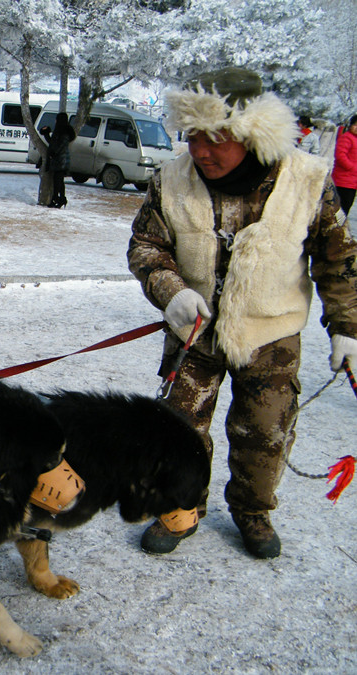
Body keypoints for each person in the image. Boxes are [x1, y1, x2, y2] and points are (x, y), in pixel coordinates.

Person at [127, 67, 357, 559]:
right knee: (179, 429)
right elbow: (146, 247)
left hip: (271, 337)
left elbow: (338, 262)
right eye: (193, 137)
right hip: (193, 334)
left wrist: (347, 329)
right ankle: (181, 506)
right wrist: (172, 293)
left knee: (264, 435)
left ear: (252, 133)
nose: (202, 151)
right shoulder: (171, 180)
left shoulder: (308, 181)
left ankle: (253, 511)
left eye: (217, 138)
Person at [46, 112, 76, 208]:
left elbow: (58, 146)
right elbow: (53, 143)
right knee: (59, 181)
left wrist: (53, 153)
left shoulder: (63, 132)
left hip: (60, 160)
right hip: (61, 159)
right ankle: (61, 199)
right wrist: (46, 134)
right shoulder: (62, 131)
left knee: (57, 181)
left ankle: (55, 199)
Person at [331, 114, 357, 216]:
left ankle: (337, 229)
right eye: (355, 125)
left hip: (352, 182)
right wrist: (352, 168)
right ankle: (331, 230)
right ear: (350, 125)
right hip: (342, 181)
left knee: (344, 210)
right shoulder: (347, 137)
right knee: (338, 209)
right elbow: (340, 155)